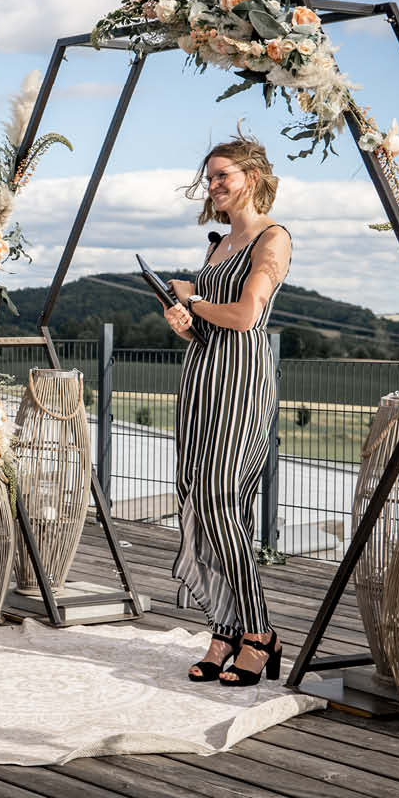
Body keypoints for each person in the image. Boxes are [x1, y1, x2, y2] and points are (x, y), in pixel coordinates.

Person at [161, 130, 292, 687]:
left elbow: (244, 318)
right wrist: (184, 323)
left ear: (252, 179)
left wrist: (192, 298)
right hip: (201, 377)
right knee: (196, 496)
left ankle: (259, 632)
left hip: (242, 384)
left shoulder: (273, 238)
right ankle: (223, 627)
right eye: (209, 177)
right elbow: (214, 326)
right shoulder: (218, 245)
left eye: (222, 177)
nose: (212, 186)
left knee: (220, 503)